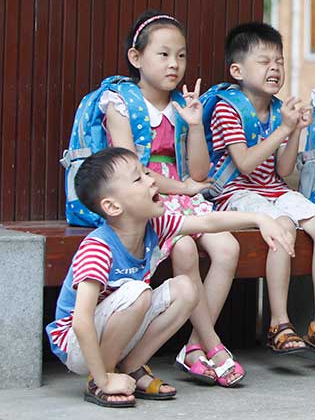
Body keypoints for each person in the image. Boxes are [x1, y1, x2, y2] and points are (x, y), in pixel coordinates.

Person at [45, 147, 293, 408]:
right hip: (77, 345)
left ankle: (130, 368)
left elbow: (207, 222)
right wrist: (101, 377)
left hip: (115, 328)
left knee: (186, 289)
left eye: (146, 173)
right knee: (137, 293)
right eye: (138, 179)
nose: (152, 180)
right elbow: (81, 322)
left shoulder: (154, 227)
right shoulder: (99, 248)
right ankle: (103, 380)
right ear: (112, 205)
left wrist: (259, 218)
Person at [102, 11, 243, 386]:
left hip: (184, 199)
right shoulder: (119, 104)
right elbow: (130, 170)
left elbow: (199, 173)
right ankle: (213, 345)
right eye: (163, 55)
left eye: (180, 55)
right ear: (136, 58)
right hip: (145, 202)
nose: (174, 64)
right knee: (182, 251)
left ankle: (195, 347)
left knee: (227, 249)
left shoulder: (182, 106)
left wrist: (194, 125)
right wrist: (181, 189)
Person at [208, 23, 315, 363]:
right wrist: (284, 128)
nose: (275, 68)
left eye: (280, 61)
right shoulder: (228, 108)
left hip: (272, 188)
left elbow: (283, 171)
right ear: (237, 70)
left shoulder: (278, 109)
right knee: (283, 224)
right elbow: (243, 163)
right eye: (264, 61)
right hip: (234, 193)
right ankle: (278, 322)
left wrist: (296, 131)